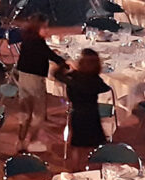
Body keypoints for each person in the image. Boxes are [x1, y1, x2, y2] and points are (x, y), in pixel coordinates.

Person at [15, 17, 67, 153]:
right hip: (34, 79)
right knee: (38, 112)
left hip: (23, 77)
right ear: (37, 29)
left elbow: (45, 53)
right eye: (44, 27)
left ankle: (20, 141)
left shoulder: (28, 40)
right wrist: (65, 63)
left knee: (25, 110)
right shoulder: (38, 43)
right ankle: (32, 141)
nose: (47, 30)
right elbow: (50, 55)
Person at [54, 49, 109, 166]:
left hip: (78, 114)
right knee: (96, 141)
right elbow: (105, 88)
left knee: (77, 143)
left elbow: (57, 75)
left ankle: (76, 167)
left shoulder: (74, 78)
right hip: (93, 114)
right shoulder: (95, 80)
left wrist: (65, 64)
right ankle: (97, 165)